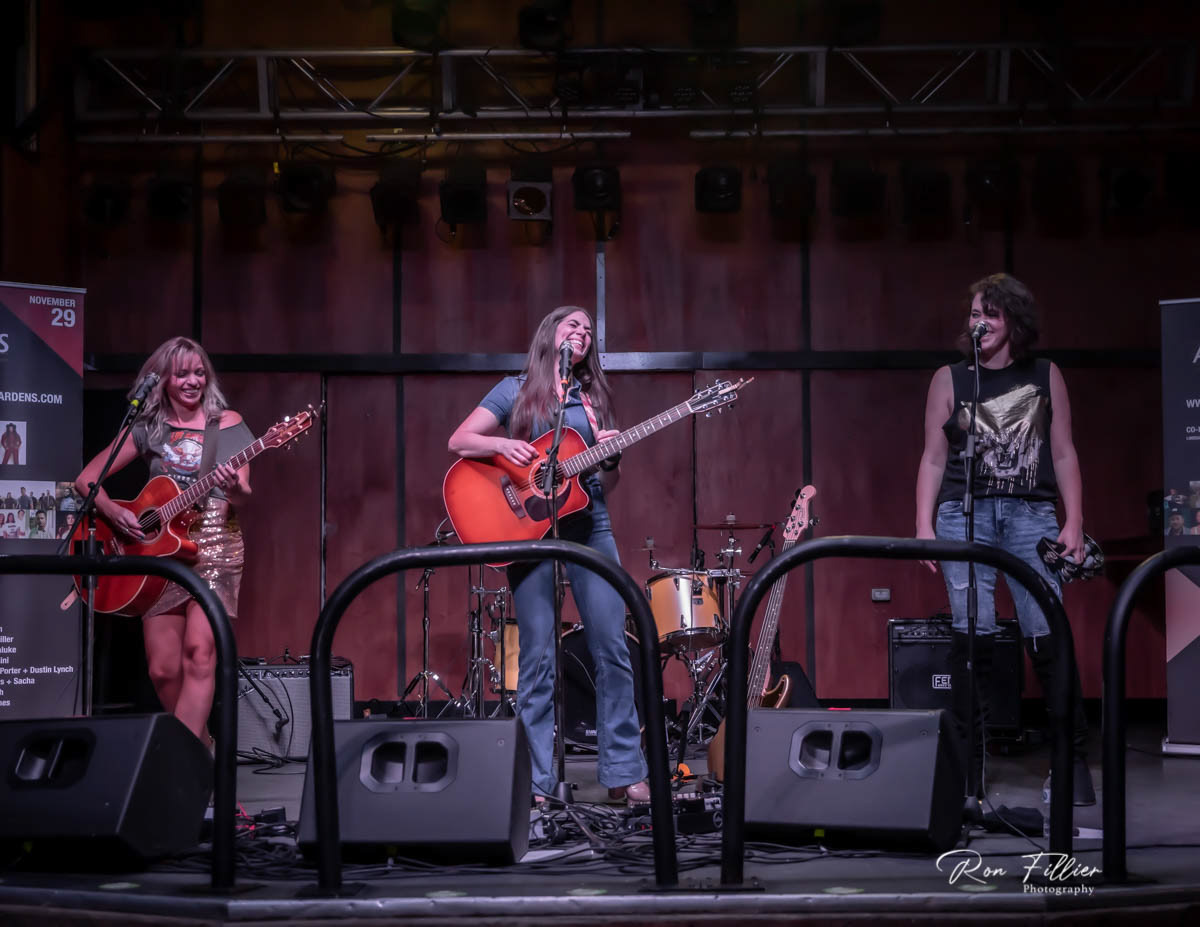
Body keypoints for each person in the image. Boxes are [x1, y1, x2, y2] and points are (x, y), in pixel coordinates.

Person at [448, 306, 648, 804]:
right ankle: (537, 779)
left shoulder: (592, 400)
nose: (582, 333)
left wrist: (611, 461)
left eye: (588, 329)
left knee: (612, 647)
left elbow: (604, 485)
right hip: (527, 526)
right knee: (536, 655)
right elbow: (460, 440)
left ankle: (623, 771)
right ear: (550, 335)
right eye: (572, 325)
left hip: (588, 522)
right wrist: (500, 446)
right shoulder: (513, 389)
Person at [915, 273, 1095, 805]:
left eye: (990, 313)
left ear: (1014, 320)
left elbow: (1063, 451)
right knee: (972, 637)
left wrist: (1074, 521)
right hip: (962, 513)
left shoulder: (1044, 374)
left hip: (1030, 513)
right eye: (975, 313)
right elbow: (933, 458)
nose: (980, 322)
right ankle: (968, 774)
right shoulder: (949, 379)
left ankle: (1071, 763)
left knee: (1045, 632)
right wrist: (923, 525)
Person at [75, 336, 252, 745]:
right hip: (161, 551)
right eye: (182, 373)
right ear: (163, 380)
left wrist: (234, 488)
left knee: (200, 655)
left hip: (215, 544)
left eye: (199, 372)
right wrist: (114, 512)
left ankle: (183, 764)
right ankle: (202, 751)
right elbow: (86, 480)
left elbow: (244, 493)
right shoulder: (149, 428)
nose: (192, 381)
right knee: (163, 669)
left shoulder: (227, 423)